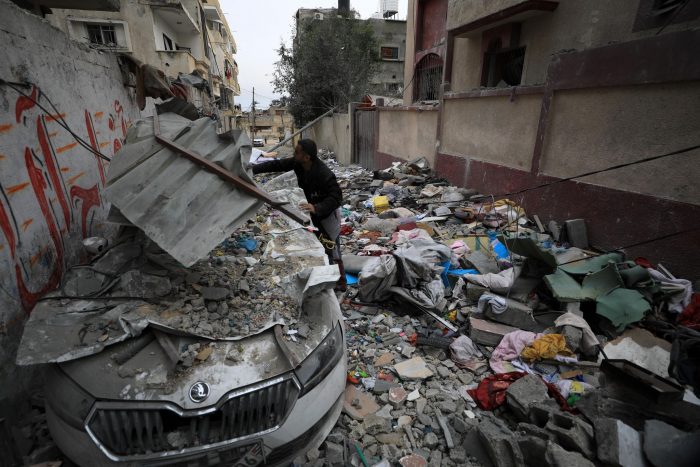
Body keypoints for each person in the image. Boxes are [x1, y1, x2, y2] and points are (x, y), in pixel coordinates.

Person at [252, 139, 347, 291]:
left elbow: (336, 197)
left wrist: (317, 207)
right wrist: (252, 169)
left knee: (332, 248)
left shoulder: (324, 173)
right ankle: (324, 281)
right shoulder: (298, 163)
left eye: (297, 152)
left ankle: (341, 283)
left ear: (306, 157)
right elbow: (278, 165)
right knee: (319, 247)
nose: (294, 154)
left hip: (327, 216)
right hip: (311, 214)